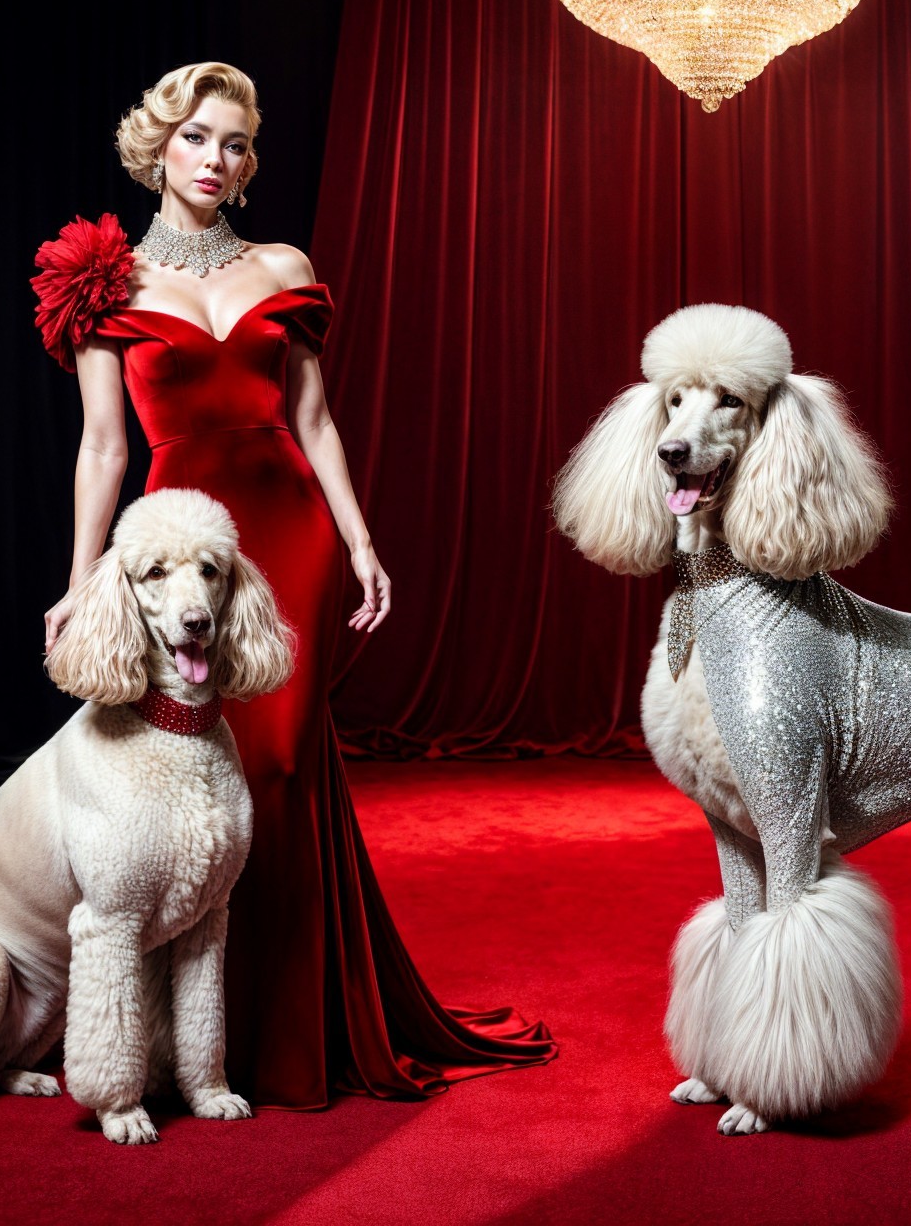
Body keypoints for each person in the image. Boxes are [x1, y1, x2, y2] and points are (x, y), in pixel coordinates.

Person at [36, 61, 554, 1108]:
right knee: (193, 781)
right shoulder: (110, 281)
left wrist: (359, 543)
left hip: (291, 535)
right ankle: (195, 1041)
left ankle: (291, 1035)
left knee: (276, 768)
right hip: (184, 539)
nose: (216, 159)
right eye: (197, 138)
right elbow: (101, 449)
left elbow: (314, 419)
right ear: (157, 146)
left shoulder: (283, 265)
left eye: (233, 143)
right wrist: (85, 579)